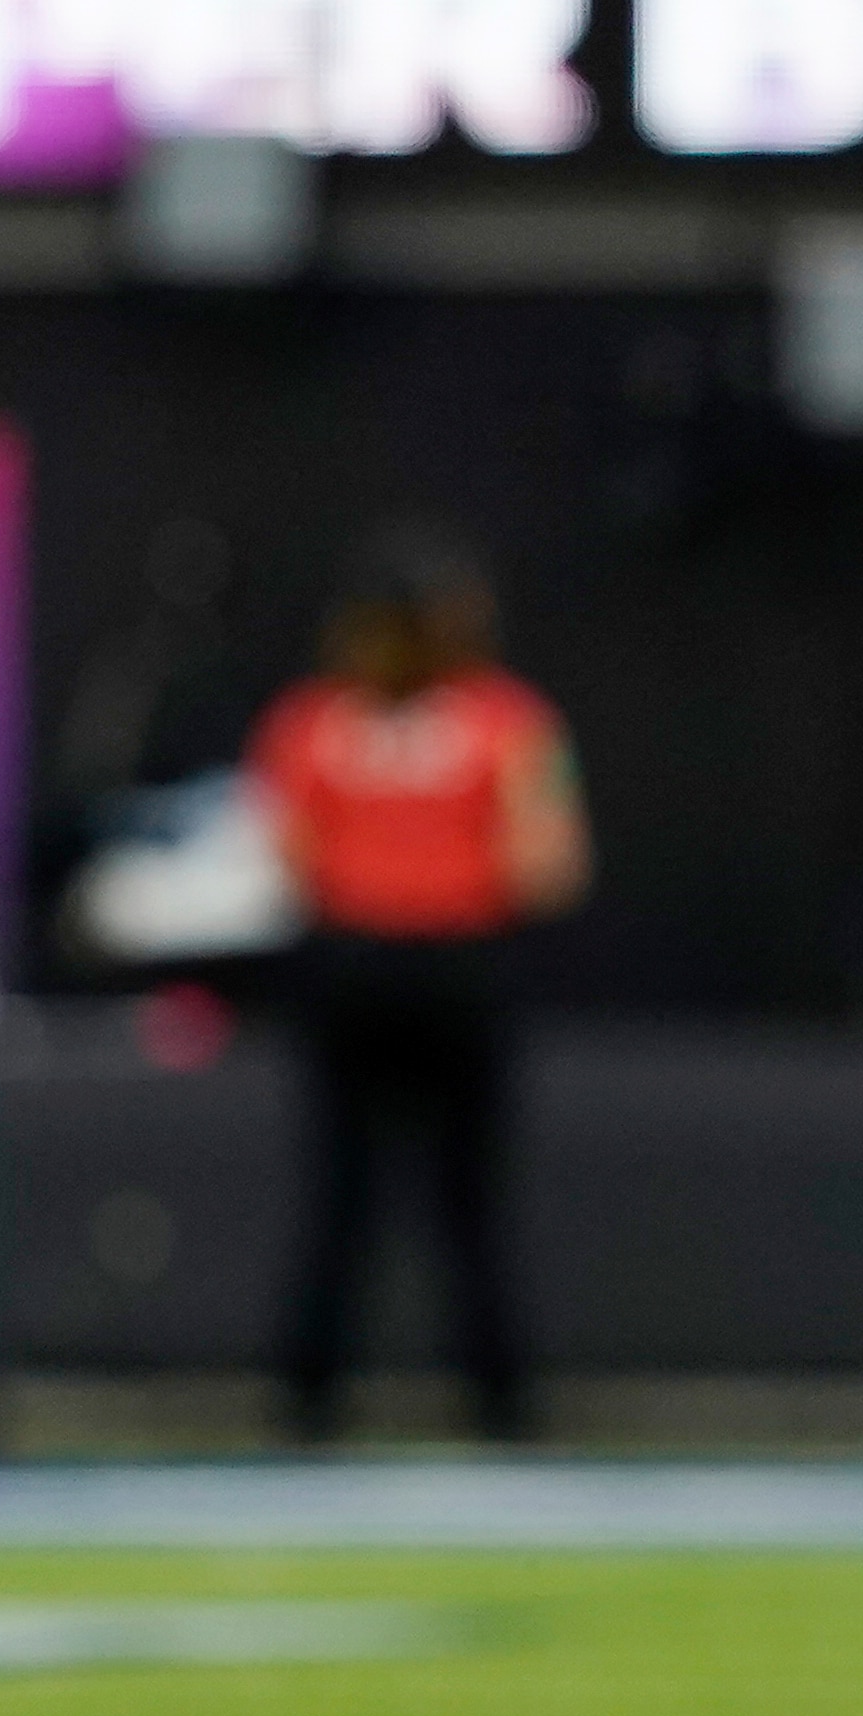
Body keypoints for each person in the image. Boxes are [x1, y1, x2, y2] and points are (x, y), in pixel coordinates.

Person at [250, 526, 590, 1444]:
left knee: (344, 1193)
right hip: (459, 971)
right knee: (467, 1200)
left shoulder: (308, 723)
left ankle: (310, 1402)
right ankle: (499, 1405)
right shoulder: (514, 722)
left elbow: (281, 861)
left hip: (353, 969)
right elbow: (551, 863)